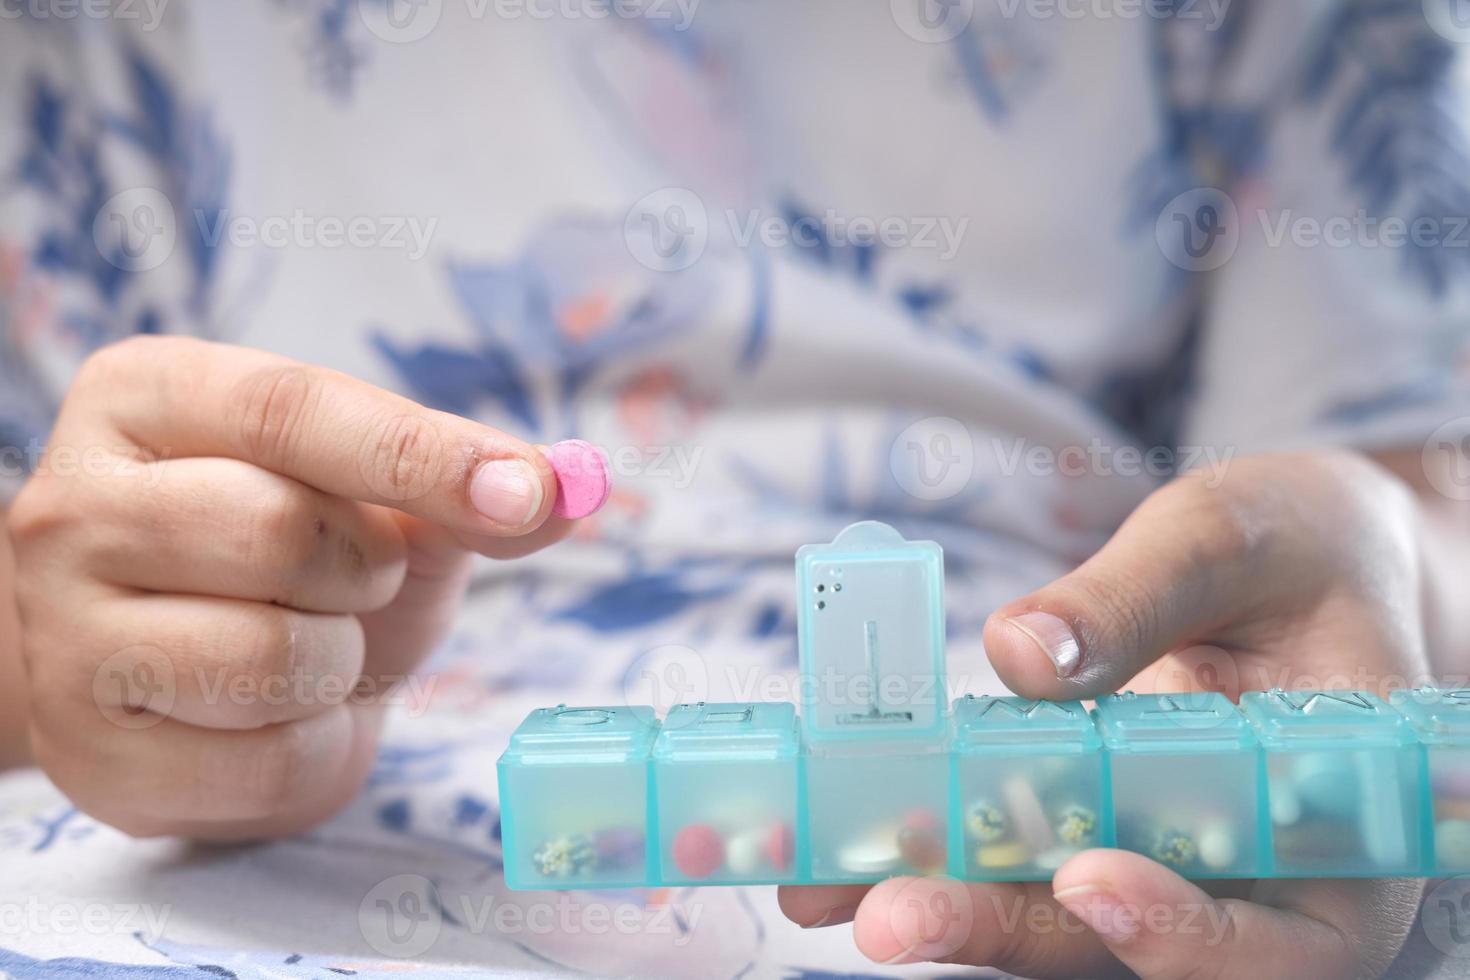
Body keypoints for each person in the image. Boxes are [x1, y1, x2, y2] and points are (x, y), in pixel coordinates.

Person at [0, 2, 1466, 976]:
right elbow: (42, 580)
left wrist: (1379, 546)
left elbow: (1420, 497)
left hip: (1083, 710)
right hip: (249, 848)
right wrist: (86, 658)